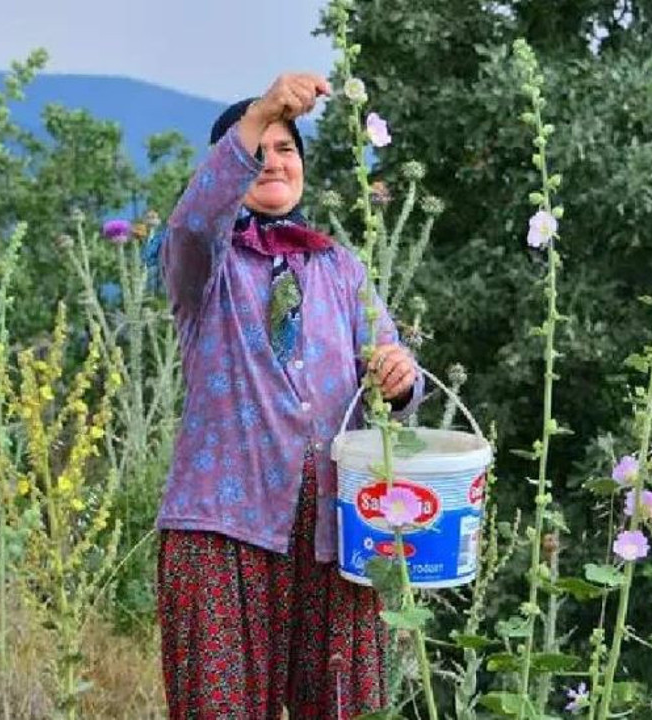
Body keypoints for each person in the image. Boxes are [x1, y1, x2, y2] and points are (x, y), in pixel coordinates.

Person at [153, 72, 424, 719]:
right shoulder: (203, 266)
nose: (274, 162)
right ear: (227, 167)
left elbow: (396, 372)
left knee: (343, 708)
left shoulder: (341, 267)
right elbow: (193, 223)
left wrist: (399, 378)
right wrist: (265, 108)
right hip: (223, 529)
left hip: (333, 535)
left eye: (286, 148)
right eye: (258, 149)